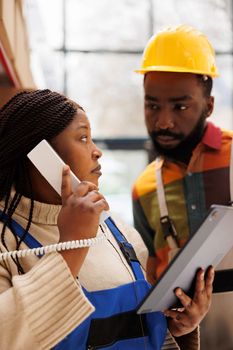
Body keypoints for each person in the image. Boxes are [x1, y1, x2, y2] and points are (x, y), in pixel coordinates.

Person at [0, 89, 214, 350]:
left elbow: (139, 331)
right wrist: (73, 244)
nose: (97, 152)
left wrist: (179, 329)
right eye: (83, 138)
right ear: (39, 156)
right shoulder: (6, 240)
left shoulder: (118, 230)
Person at [132, 24, 233, 349]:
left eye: (180, 106)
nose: (163, 121)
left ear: (209, 106)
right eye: (152, 105)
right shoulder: (144, 188)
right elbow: (151, 280)